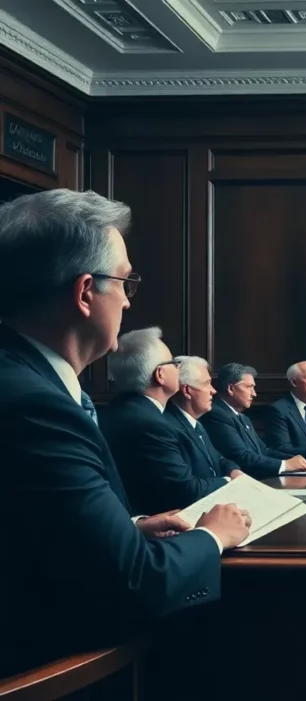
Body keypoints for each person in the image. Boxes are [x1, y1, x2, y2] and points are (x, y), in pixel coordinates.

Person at [0, 189, 250, 676]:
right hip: (60, 671)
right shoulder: (35, 405)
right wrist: (212, 536)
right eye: (124, 281)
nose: (128, 302)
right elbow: (134, 584)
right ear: (85, 292)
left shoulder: (27, 378)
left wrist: (128, 527)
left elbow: (30, 530)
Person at [102, 327, 232, 514]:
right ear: (160, 374)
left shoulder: (117, 410)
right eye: (173, 363)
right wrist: (229, 481)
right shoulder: (151, 424)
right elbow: (186, 491)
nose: (178, 368)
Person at [201, 362, 306, 478]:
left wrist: (293, 460)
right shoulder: (216, 414)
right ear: (231, 388)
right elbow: (242, 457)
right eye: (249, 387)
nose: (254, 394)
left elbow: (264, 451)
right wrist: (284, 465)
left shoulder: (243, 418)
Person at [165, 356, 241, 479]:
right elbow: (187, 485)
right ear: (187, 391)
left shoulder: (197, 424)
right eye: (207, 383)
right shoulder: (169, 428)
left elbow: (217, 458)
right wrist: (228, 480)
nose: (213, 390)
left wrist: (233, 470)